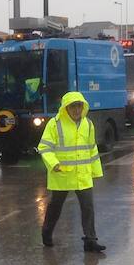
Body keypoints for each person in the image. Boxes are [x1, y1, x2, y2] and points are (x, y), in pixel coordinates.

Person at [37, 92, 106, 253]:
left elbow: (92, 149)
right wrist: (54, 164)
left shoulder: (88, 124)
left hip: (82, 174)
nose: (76, 110)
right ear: (65, 108)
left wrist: (95, 171)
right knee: (56, 206)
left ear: (83, 107)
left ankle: (90, 240)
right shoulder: (55, 124)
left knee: (88, 206)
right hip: (62, 174)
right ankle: (47, 232)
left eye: (79, 106)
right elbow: (44, 147)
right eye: (73, 106)